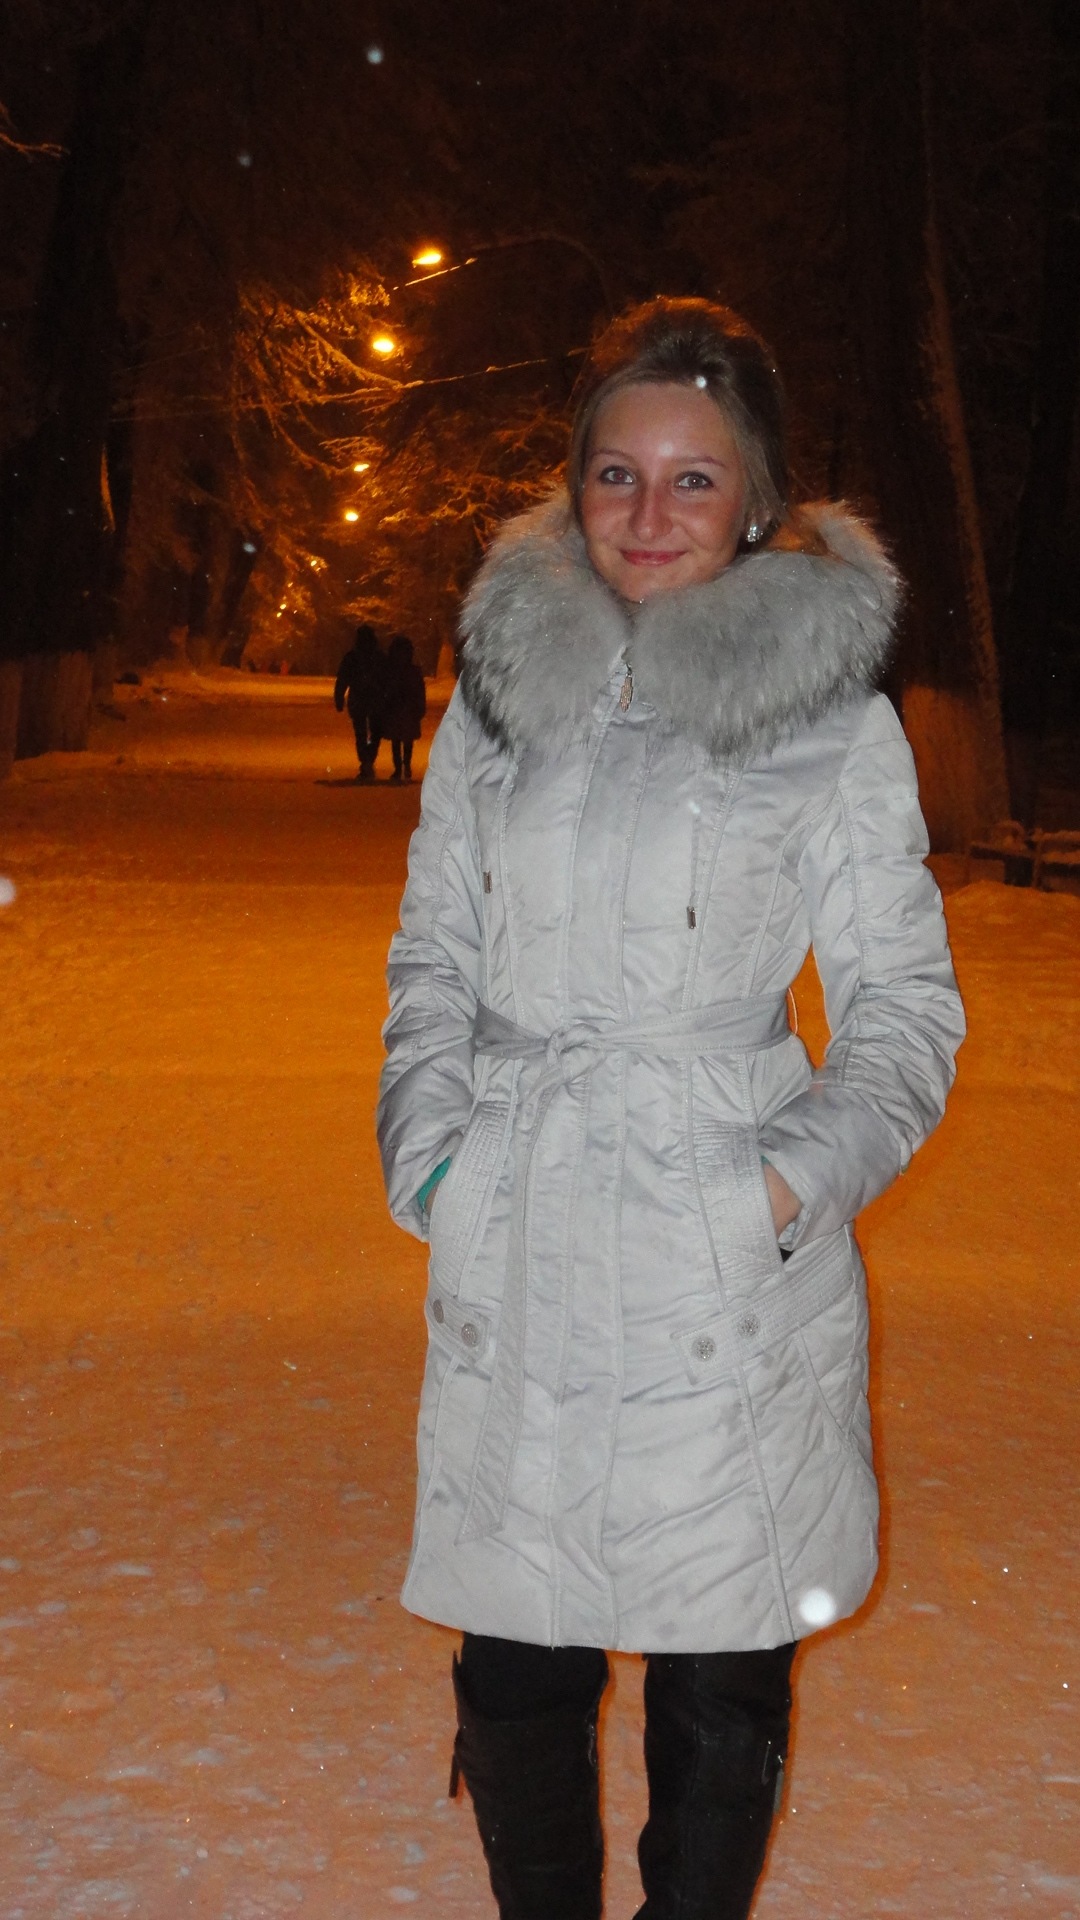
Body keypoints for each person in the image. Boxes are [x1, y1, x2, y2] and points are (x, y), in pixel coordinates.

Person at [377, 298, 965, 1919]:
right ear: (573, 484)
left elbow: (906, 1015)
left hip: (721, 1253)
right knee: (518, 1659)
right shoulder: (498, 699)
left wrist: (776, 1188)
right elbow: (433, 952)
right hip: (526, 1225)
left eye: (693, 479)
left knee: (720, 1663)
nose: (648, 514)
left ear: (757, 498)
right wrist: (432, 1151)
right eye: (616, 473)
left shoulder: (828, 721)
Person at [334, 622, 385, 781]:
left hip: (359, 699)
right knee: (375, 732)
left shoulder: (352, 657)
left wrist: (339, 698)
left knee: (361, 732)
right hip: (376, 699)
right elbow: (387, 678)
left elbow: (342, 679)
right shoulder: (379, 657)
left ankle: (365, 760)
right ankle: (369, 758)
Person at [382, 632, 427, 783]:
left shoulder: (392, 670)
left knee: (402, 740)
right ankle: (402, 766)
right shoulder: (410, 671)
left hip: (402, 708)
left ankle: (402, 766)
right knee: (402, 740)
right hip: (403, 707)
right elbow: (420, 690)